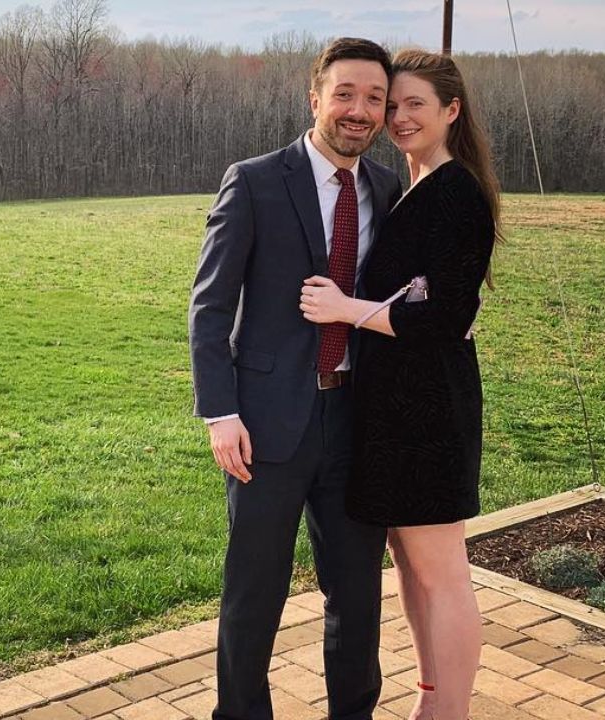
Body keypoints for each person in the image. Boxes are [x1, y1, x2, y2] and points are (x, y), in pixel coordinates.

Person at [188, 37, 403, 720]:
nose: (359, 110)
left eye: (374, 98)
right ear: (314, 98)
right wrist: (220, 414)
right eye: (345, 94)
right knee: (255, 594)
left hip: (353, 424)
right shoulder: (253, 180)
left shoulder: (385, 187)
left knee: (358, 595)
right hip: (265, 426)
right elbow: (210, 304)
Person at [300, 49, 501, 720]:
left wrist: (346, 310)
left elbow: (444, 315)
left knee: (441, 573)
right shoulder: (406, 189)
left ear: (451, 111)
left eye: (418, 104)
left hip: (429, 410)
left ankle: (452, 713)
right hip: (389, 408)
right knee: (412, 570)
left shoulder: (457, 191)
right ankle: (429, 698)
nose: (400, 116)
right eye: (395, 104)